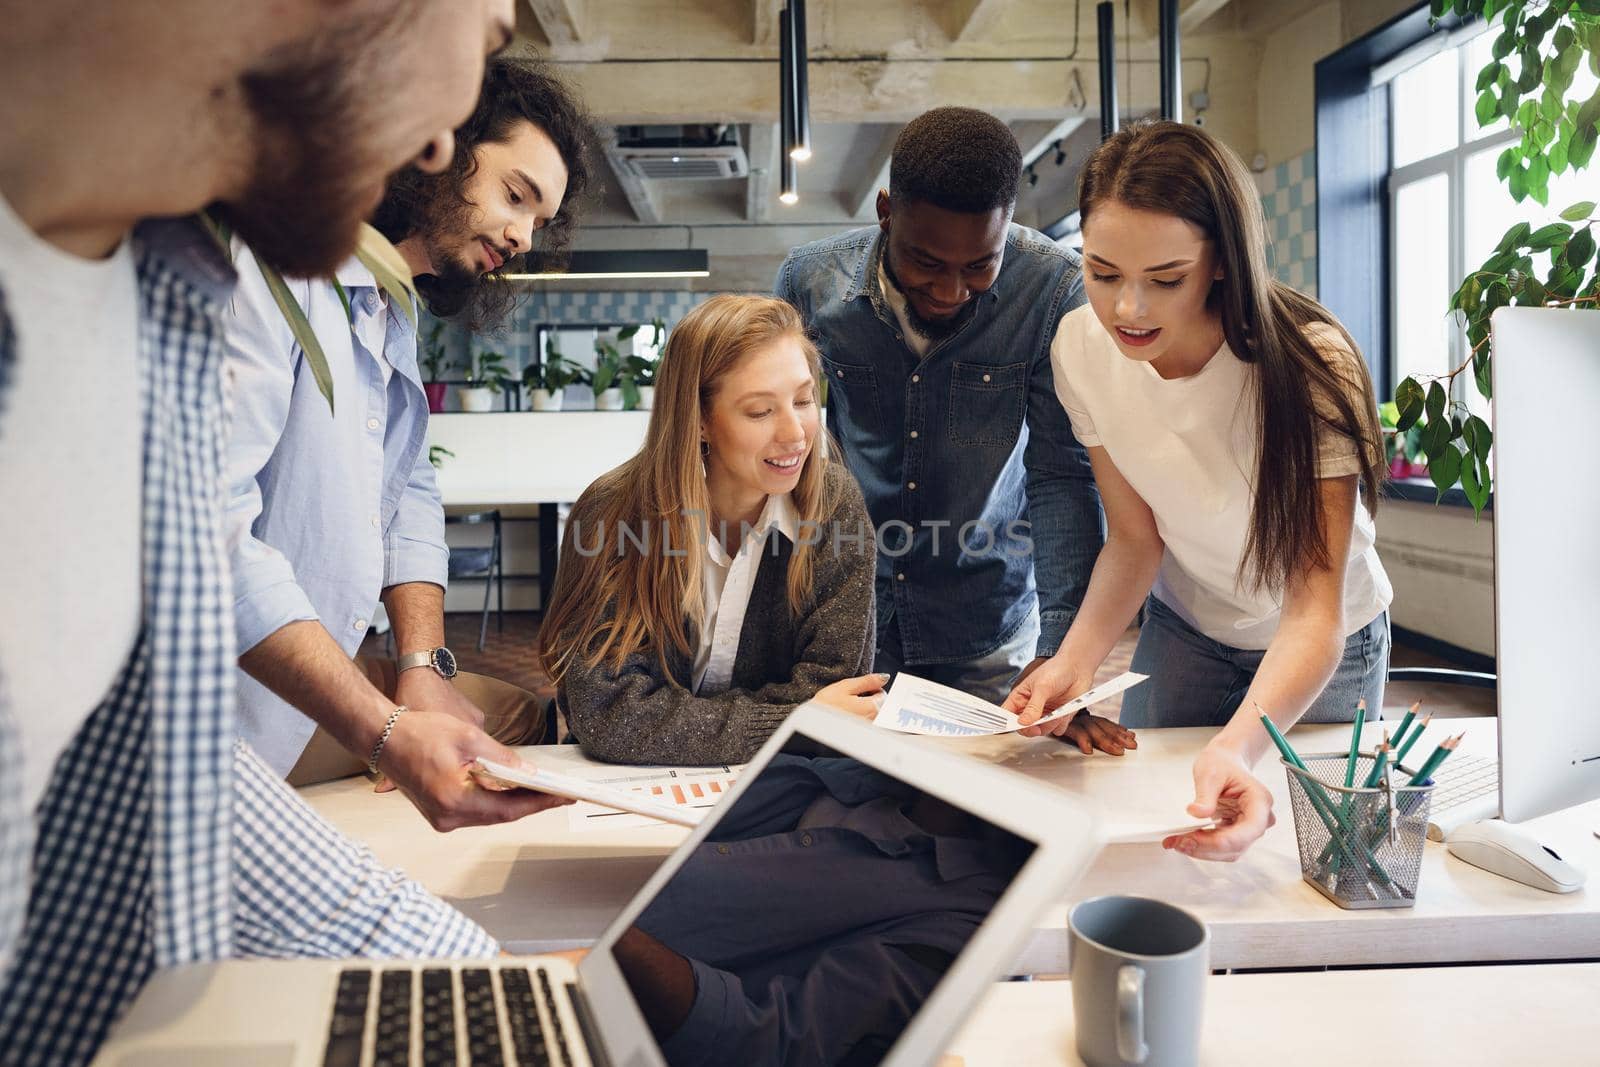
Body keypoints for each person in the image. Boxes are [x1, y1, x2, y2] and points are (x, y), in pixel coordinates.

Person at [0, 3, 568, 1063]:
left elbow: (172, 790)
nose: (433, 138)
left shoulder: (187, 285)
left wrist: (419, 668)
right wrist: (386, 730)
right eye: (482, 33)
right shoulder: (224, 281)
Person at [223, 52, 597, 822]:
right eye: (515, 194)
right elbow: (209, 538)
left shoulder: (392, 305)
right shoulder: (267, 268)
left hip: (317, 680)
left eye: (540, 219)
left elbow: (410, 492)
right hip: (221, 712)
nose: (524, 235)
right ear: (438, 147)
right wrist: (387, 729)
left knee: (514, 726)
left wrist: (422, 665)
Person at [1008, 120, 1393, 862]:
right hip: (1189, 627)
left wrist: (1241, 748)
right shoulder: (1079, 350)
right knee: (1155, 830)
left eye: (1165, 279)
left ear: (1221, 260)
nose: (1128, 310)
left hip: (1326, 641)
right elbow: (1134, 538)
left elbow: (1315, 608)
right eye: (1103, 271)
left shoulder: (1311, 364)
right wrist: (1075, 661)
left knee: (1308, 857)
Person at [775, 107, 1130, 757]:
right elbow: (790, 453)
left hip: (988, 624)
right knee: (852, 799)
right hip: (854, 615)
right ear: (886, 211)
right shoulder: (810, 281)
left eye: (979, 267)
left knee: (985, 814)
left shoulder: (1051, 290)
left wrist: (1060, 658)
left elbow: (1060, 478)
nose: (950, 290)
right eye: (926, 262)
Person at [540, 295, 883, 765]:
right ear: (699, 420)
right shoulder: (612, 513)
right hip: (622, 794)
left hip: (781, 787)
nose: (796, 434)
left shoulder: (832, 505)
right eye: (760, 411)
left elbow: (839, 699)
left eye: (804, 400)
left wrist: (807, 719)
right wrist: (794, 722)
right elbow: (607, 714)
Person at [612, 752, 1032, 1067]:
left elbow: (768, 1040)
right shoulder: (858, 771)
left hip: (609, 1000)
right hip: (578, 893)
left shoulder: (962, 921)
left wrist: (610, 939)